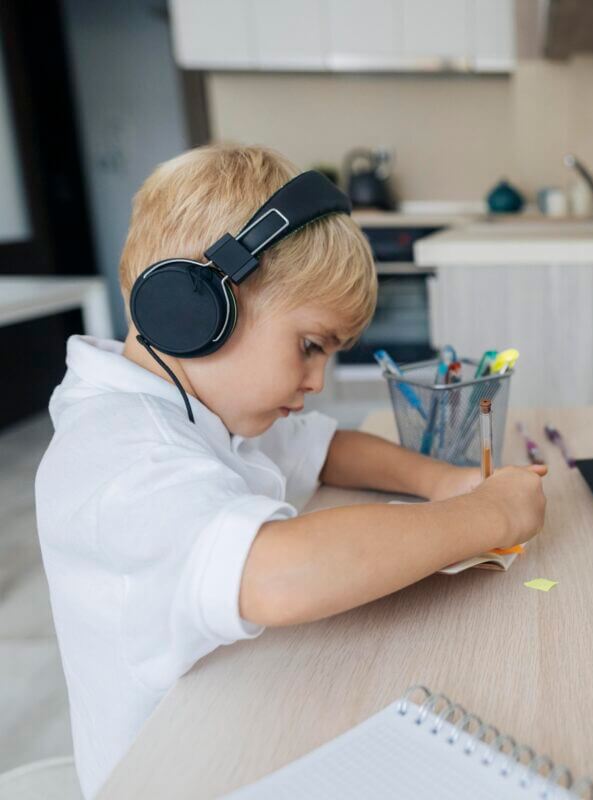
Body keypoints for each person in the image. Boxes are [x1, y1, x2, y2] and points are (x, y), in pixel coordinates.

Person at [34, 144, 548, 798]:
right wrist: (488, 514)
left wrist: (441, 482)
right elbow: (276, 574)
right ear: (196, 307)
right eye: (309, 346)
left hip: (241, 727)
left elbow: (322, 447)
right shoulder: (116, 455)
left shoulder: (198, 402)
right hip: (176, 775)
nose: (316, 381)